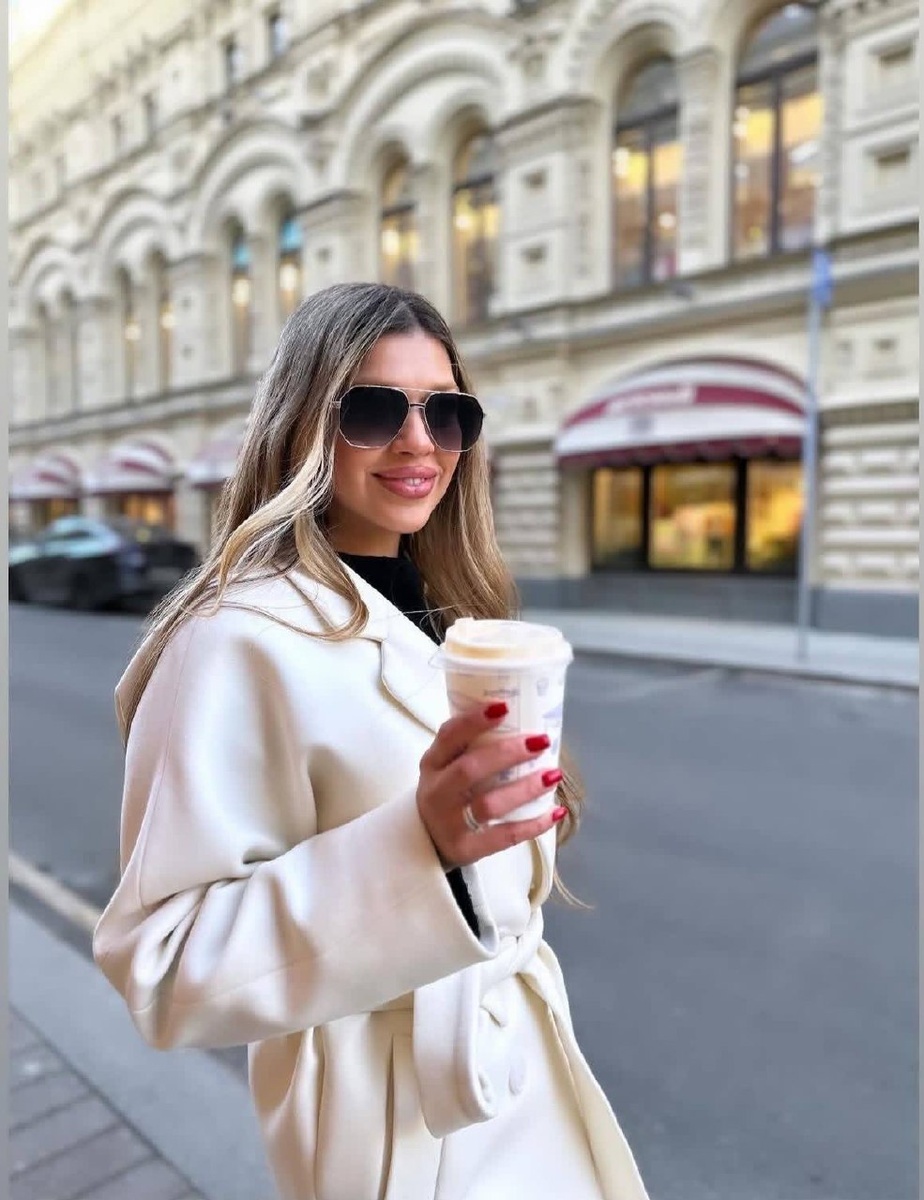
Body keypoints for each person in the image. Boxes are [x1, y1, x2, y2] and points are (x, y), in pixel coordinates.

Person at [93, 282, 649, 1200]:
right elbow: (161, 968)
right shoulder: (234, 637)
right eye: (375, 409)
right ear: (302, 425)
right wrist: (419, 848)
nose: (420, 442)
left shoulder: (452, 612)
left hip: (516, 1072)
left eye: (448, 413)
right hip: (392, 1119)